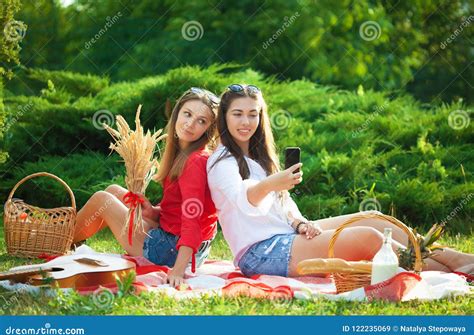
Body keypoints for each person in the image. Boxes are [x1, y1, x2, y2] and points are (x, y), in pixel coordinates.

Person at [207, 84, 474, 278]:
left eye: (253, 114)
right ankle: (448, 270)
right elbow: (244, 201)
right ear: (225, 117)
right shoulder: (221, 162)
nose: (246, 121)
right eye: (238, 114)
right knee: (369, 238)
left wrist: (300, 223)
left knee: (374, 218)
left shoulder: (257, 156)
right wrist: (271, 184)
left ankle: (448, 257)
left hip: (286, 236)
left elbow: (283, 205)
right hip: (261, 253)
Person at [73, 87, 220, 286]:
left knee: (102, 200)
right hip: (181, 244)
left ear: (208, 129)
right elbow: (178, 210)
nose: (190, 124)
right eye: (187, 114)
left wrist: (177, 270)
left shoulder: (195, 161)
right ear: (177, 113)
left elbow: (192, 221)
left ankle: (58, 240)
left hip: (175, 252)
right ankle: (71, 239)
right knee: (114, 192)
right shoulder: (184, 154)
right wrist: (153, 211)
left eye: (201, 121)